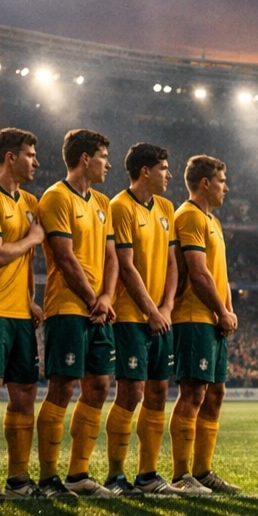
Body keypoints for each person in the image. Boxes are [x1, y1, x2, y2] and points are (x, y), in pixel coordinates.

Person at [35, 129, 119, 498]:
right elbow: (65, 257)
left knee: (99, 385)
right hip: (67, 307)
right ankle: (49, 477)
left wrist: (107, 297)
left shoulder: (102, 202)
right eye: (103, 156)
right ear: (85, 158)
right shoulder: (55, 197)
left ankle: (79, 473)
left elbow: (112, 256)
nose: (108, 164)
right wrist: (92, 299)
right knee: (62, 387)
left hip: (99, 308)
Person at [0, 128, 45, 499]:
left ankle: (18, 479)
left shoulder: (30, 201)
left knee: (26, 393)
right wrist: (32, 238)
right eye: (31, 155)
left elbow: (28, 263)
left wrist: (30, 298)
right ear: (11, 158)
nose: (36, 161)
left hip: (19, 312)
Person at [108, 143, 186, 496]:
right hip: (130, 316)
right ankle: (115, 476)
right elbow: (125, 266)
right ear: (145, 171)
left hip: (161, 315)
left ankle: (148, 475)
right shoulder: (120, 207)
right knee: (131, 392)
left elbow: (172, 263)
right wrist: (151, 311)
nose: (169, 175)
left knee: (158, 391)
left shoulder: (166, 208)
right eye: (165, 168)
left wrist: (167, 306)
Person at [169, 155, 241, 494]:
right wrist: (220, 311)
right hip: (193, 317)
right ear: (205, 183)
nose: (227, 187)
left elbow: (218, 271)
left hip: (214, 318)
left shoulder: (213, 221)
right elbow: (198, 272)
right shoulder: (187, 216)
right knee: (193, 393)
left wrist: (228, 309)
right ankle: (182, 475)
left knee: (215, 393)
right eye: (222, 180)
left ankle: (203, 471)